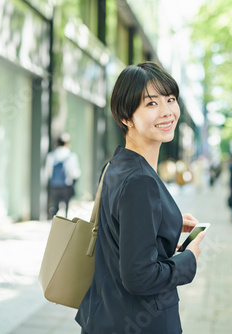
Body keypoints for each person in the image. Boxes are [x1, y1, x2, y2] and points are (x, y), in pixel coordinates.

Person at [75, 62, 206, 334]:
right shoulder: (141, 180)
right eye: (151, 104)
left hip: (107, 317)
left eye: (170, 99)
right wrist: (188, 258)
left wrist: (165, 220)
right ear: (126, 117)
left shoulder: (117, 164)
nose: (167, 111)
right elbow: (139, 277)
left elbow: (122, 228)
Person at [45, 133, 81, 217]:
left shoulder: (51, 155)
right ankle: (66, 224)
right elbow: (75, 173)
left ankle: (53, 223)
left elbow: (48, 171)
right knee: (67, 207)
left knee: (55, 206)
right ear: (66, 143)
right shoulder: (71, 156)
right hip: (66, 185)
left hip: (55, 185)